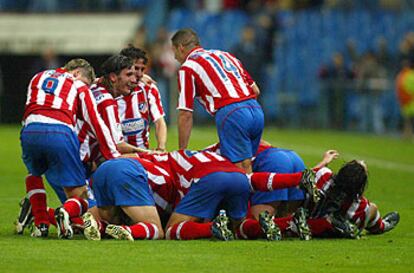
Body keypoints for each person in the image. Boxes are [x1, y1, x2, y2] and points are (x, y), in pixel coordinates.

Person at [20, 59, 120, 239]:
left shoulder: (38, 76)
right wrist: (114, 157)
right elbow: (96, 123)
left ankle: (40, 220)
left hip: (29, 130)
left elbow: (30, 106)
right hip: (60, 131)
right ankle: (64, 213)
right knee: (79, 194)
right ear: (76, 74)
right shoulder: (79, 85)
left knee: (34, 174)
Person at [171, 28, 264, 173]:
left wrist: (182, 152)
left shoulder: (187, 68)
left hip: (232, 112)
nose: (175, 57)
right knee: (250, 165)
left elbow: (186, 114)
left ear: (181, 48)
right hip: (256, 110)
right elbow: (255, 90)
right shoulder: (225, 55)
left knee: (239, 171)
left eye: (174, 52)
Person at [77, 54, 144, 165]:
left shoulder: (94, 86)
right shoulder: (107, 103)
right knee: (133, 165)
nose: (133, 80)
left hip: (73, 148)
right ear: (113, 77)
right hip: (83, 160)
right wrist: (148, 152)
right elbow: (118, 146)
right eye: (129, 75)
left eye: (134, 75)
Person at [90, 157, 164, 241]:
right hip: (126, 172)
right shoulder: (176, 183)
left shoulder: (159, 160)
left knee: (113, 220)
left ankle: (96, 225)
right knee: (157, 229)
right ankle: (128, 230)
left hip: (104, 168)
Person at [117, 45, 168, 151]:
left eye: (142, 69)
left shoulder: (148, 89)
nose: (140, 74)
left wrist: (161, 148)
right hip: (117, 155)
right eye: (136, 68)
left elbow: (160, 122)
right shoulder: (109, 91)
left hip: (143, 154)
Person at [395, 58, 414, 139]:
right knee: (408, 120)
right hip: (408, 100)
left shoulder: (402, 75)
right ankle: (407, 134)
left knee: (408, 120)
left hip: (407, 100)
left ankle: (407, 134)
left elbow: (399, 88)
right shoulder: (409, 75)